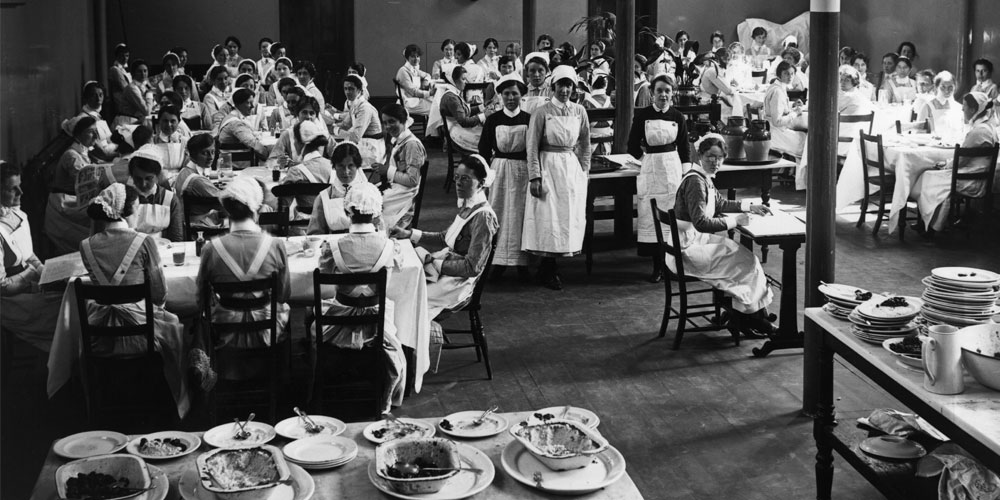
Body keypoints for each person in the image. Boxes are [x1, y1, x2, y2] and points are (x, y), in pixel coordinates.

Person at [79, 182, 189, 415]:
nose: (138, 214)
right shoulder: (144, 241)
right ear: (125, 211)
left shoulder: (85, 245)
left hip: (100, 334)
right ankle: (175, 401)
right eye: (137, 209)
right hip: (141, 333)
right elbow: (159, 293)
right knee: (180, 324)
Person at [313, 181, 405, 411]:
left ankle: (318, 382)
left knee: (311, 315)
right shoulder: (389, 247)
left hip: (339, 322)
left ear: (347, 211)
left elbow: (324, 276)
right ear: (377, 214)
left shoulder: (332, 248)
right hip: (377, 323)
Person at [671, 135, 775, 336]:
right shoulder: (695, 182)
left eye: (719, 158)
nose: (715, 162)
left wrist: (749, 206)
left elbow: (719, 203)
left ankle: (751, 314)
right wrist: (736, 221)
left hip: (694, 241)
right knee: (747, 262)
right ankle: (752, 316)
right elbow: (701, 223)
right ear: (700, 155)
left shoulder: (703, 178)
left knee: (745, 260)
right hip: (687, 250)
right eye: (710, 156)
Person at [195, 176, 288, 380]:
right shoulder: (275, 245)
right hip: (266, 330)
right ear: (257, 207)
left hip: (225, 332)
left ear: (227, 210)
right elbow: (283, 294)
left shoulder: (211, 249)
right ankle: (280, 377)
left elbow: (200, 299)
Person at [391, 155, 498, 317]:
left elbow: (472, 267)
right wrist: (409, 234)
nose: (459, 183)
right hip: (447, 268)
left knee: (410, 295)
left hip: (459, 282)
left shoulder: (483, 217)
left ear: (481, 184)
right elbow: (445, 237)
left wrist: (436, 263)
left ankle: (418, 336)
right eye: (457, 178)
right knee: (403, 284)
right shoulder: (468, 205)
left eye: (466, 179)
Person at [523, 65, 591, 290]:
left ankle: (553, 266)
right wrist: (535, 176)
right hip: (547, 166)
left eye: (569, 85)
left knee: (566, 215)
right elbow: (531, 146)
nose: (565, 90)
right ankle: (548, 267)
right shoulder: (542, 112)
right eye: (561, 85)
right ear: (553, 86)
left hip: (570, 169)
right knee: (548, 215)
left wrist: (584, 172)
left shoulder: (580, 111)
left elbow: (585, 144)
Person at [628, 73, 691, 283]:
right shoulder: (642, 115)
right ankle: (657, 267)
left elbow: (684, 147)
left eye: (667, 91)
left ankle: (670, 265)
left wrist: (685, 172)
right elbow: (631, 145)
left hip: (672, 169)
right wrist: (644, 160)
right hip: (651, 169)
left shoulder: (677, 117)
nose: (663, 95)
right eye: (659, 91)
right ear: (652, 93)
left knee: (672, 215)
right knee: (652, 215)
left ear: (672, 94)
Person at [914, 92, 998, 233]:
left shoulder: (978, 132)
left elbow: (961, 160)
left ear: (972, 110)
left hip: (972, 180)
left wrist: (944, 166)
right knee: (931, 176)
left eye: (964, 106)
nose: (962, 109)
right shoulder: (988, 127)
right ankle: (929, 220)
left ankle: (932, 225)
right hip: (975, 175)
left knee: (928, 176)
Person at [1, 162, 62, 352]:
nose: (21, 192)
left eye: (20, 185)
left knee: (69, 295)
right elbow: (2, 287)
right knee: (65, 311)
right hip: (9, 300)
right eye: (12, 189)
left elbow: (29, 255)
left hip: (25, 285)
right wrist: (33, 279)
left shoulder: (18, 214)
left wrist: (45, 272)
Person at [478, 74, 531, 278]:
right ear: (500, 96)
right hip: (498, 171)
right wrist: (483, 178)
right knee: (498, 212)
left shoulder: (528, 119)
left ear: (521, 96)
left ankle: (521, 262)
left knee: (519, 214)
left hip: (522, 172)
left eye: (515, 94)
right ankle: (497, 261)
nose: (510, 98)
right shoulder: (493, 120)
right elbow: (483, 150)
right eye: (506, 94)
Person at [46, 116, 100, 255]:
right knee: (98, 218)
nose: (95, 135)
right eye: (90, 131)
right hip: (62, 205)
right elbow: (87, 184)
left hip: (73, 200)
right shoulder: (72, 156)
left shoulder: (83, 152)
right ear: (79, 134)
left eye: (96, 131)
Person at [308, 142, 372, 234]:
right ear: (334, 167)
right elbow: (315, 233)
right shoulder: (324, 197)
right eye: (341, 166)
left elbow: (379, 229)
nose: (346, 172)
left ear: (357, 167)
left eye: (351, 166)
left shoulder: (369, 194)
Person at [281, 119, 332, 228]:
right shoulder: (333, 167)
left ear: (300, 143)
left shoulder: (296, 171)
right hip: (329, 224)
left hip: (303, 227)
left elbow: (283, 205)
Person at [127, 146, 183, 241]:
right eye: (138, 179)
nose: (143, 184)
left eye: (149, 178)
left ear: (157, 176)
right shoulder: (124, 197)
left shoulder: (169, 199)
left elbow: (176, 237)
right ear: (131, 175)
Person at [174, 133, 223, 233]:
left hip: (187, 222)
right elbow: (223, 202)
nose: (211, 157)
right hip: (199, 228)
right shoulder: (197, 181)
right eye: (205, 153)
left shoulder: (184, 171)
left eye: (213, 152)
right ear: (193, 155)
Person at [764, 61, 808, 169]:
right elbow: (777, 121)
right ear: (779, 74)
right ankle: (801, 182)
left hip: (773, 130)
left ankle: (792, 174)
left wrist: (793, 104)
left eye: (792, 74)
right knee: (808, 143)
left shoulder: (776, 86)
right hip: (777, 133)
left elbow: (778, 106)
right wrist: (795, 113)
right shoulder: (778, 91)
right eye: (786, 73)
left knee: (805, 135)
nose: (790, 77)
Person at [334, 75, 385, 168]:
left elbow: (355, 137)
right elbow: (345, 124)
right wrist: (331, 127)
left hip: (372, 147)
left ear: (359, 91)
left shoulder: (364, 108)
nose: (347, 92)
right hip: (364, 142)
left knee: (339, 157)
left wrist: (335, 130)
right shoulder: (354, 104)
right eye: (345, 89)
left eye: (351, 89)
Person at [439, 64, 487, 152]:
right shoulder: (451, 98)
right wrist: (484, 115)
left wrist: (483, 107)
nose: (466, 82)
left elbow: (464, 111)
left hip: (458, 128)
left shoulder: (454, 93)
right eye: (463, 79)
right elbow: (464, 122)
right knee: (487, 140)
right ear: (454, 80)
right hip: (457, 132)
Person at [267, 93, 319, 168]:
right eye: (304, 112)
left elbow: (336, 158)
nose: (308, 117)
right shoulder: (287, 135)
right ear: (298, 114)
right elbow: (270, 162)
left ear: (316, 116)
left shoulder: (323, 135)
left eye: (312, 113)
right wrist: (279, 162)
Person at [218, 88, 271, 160]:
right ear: (238, 104)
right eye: (248, 103)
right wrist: (270, 156)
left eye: (253, 103)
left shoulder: (232, 117)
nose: (252, 106)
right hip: (237, 163)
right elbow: (254, 145)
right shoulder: (235, 124)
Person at [915, 71, 962, 136]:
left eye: (950, 87)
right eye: (943, 87)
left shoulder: (958, 108)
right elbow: (918, 133)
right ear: (936, 87)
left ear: (955, 87)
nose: (947, 91)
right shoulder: (927, 107)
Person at [396, 44, 436, 116]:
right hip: (409, 102)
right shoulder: (403, 71)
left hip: (416, 99)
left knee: (437, 104)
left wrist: (426, 81)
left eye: (418, 56)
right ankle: (434, 127)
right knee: (436, 108)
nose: (416, 59)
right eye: (413, 56)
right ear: (407, 58)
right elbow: (413, 92)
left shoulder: (414, 69)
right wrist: (429, 93)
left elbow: (427, 75)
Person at [115, 59, 151, 128]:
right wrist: (150, 93)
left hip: (135, 121)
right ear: (133, 73)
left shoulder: (143, 86)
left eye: (145, 71)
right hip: (127, 122)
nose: (143, 74)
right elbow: (147, 111)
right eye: (139, 71)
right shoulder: (132, 88)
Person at [108, 43, 131, 117]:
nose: (125, 58)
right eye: (122, 56)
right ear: (117, 56)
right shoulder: (115, 70)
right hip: (121, 106)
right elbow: (126, 89)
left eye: (127, 56)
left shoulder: (123, 69)